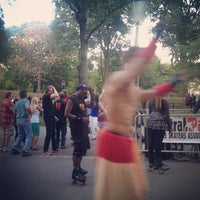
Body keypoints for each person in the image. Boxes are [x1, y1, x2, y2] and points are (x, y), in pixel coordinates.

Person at [94, 21, 182, 200]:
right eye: (138, 60)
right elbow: (133, 72)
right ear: (128, 61)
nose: (142, 64)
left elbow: (151, 93)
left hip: (125, 143)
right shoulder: (117, 78)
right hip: (113, 143)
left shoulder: (133, 88)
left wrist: (171, 84)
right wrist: (154, 41)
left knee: (132, 194)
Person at [65, 84, 94, 184]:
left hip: (83, 128)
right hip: (76, 128)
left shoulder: (81, 99)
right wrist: (81, 119)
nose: (86, 93)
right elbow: (66, 114)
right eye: (85, 91)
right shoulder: (71, 99)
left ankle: (79, 168)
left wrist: (93, 94)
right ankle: (75, 171)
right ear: (80, 90)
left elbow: (92, 105)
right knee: (77, 150)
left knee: (82, 149)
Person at [146, 96, 172, 172]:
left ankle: (151, 163)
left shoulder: (151, 101)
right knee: (158, 145)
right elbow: (167, 115)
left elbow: (150, 112)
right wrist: (169, 127)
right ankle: (158, 163)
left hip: (150, 123)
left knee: (150, 144)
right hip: (160, 124)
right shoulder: (165, 102)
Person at [11, 90, 32, 157]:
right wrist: (30, 113)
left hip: (18, 120)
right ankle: (25, 150)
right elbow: (27, 107)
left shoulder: (17, 102)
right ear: (25, 95)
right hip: (25, 119)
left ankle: (14, 148)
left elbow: (14, 112)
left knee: (20, 135)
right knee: (29, 135)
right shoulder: (26, 101)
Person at [42, 85, 59, 156]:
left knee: (53, 133)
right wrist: (54, 88)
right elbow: (57, 95)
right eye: (52, 89)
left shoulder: (49, 97)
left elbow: (49, 108)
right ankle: (45, 150)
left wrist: (54, 116)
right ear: (49, 89)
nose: (53, 90)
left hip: (51, 116)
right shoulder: (46, 96)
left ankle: (54, 148)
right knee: (49, 133)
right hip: (48, 117)